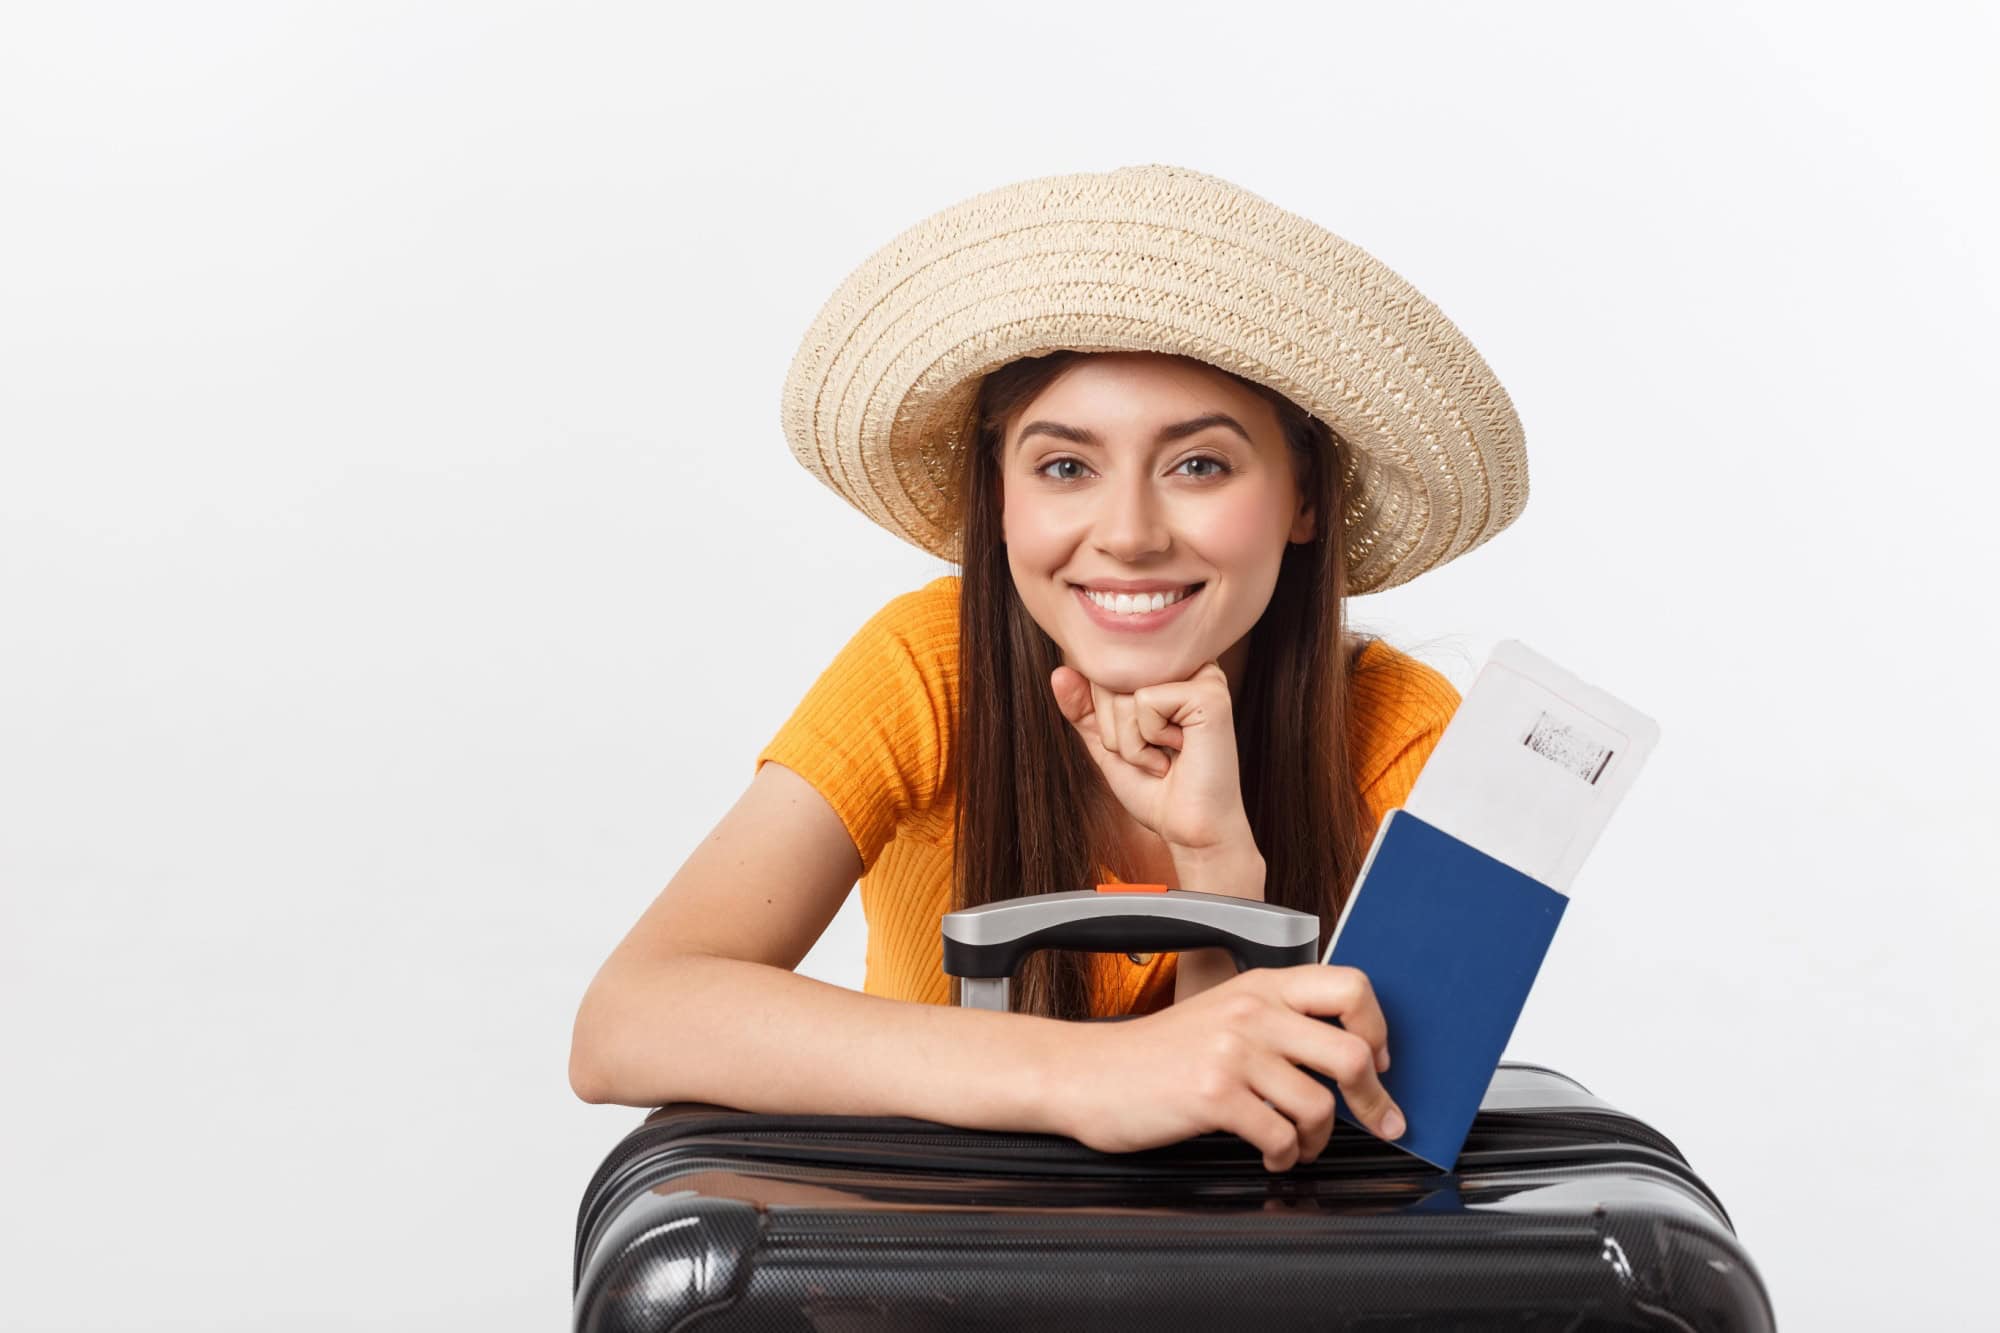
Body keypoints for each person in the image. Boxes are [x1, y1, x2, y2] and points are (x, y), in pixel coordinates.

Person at [569, 164, 1529, 1174]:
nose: (1124, 535)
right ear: (999, 496)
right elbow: (626, 1020)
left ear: (1304, 501)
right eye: (1064, 466)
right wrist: (1083, 1074)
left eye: (1198, 464)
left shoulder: (1410, 740)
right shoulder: (927, 664)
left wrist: (1219, 872)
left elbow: (1289, 1199)